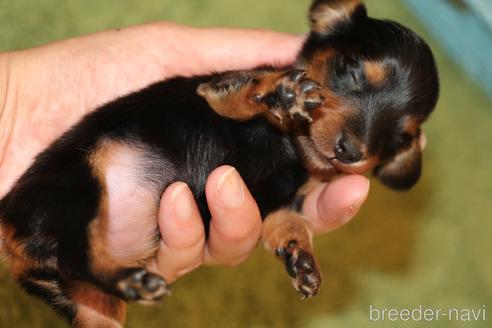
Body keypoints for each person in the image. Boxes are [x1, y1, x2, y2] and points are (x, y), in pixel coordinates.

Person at [0, 23, 370, 284]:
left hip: (121, 231)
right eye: (353, 76)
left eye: (391, 136)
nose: (354, 141)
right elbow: (219, 94)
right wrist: (264, 91)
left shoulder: (316, 174)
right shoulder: (276, 80)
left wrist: (296, 238)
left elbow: (279, 217)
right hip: (107, 164)